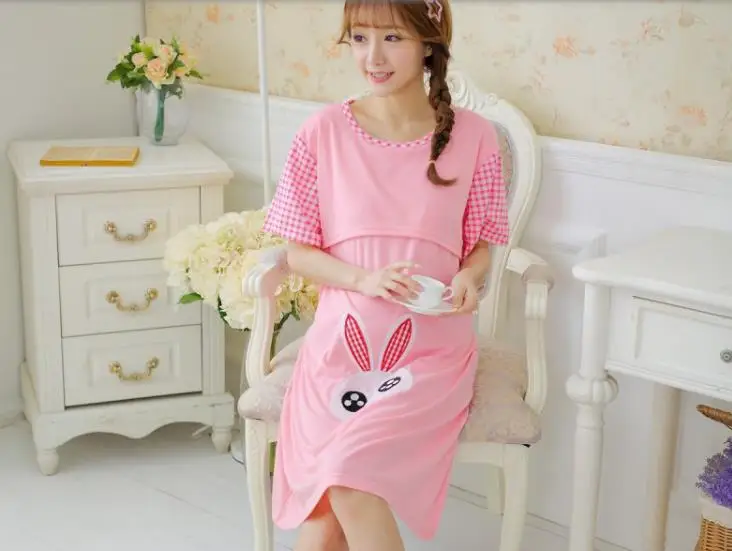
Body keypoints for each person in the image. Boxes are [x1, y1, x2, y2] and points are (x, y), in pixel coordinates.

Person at [261, 0, 509, 549]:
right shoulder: (321, 132)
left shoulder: (475, 136)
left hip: (429, 352)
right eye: (359, 38)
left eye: (392, 38)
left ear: (428, 43)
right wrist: (364, 281)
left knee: (347, 483)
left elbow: (480, 246)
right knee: (327, 509)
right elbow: (298, 254)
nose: (373, 57)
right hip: (339, 348)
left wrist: (470, 278)